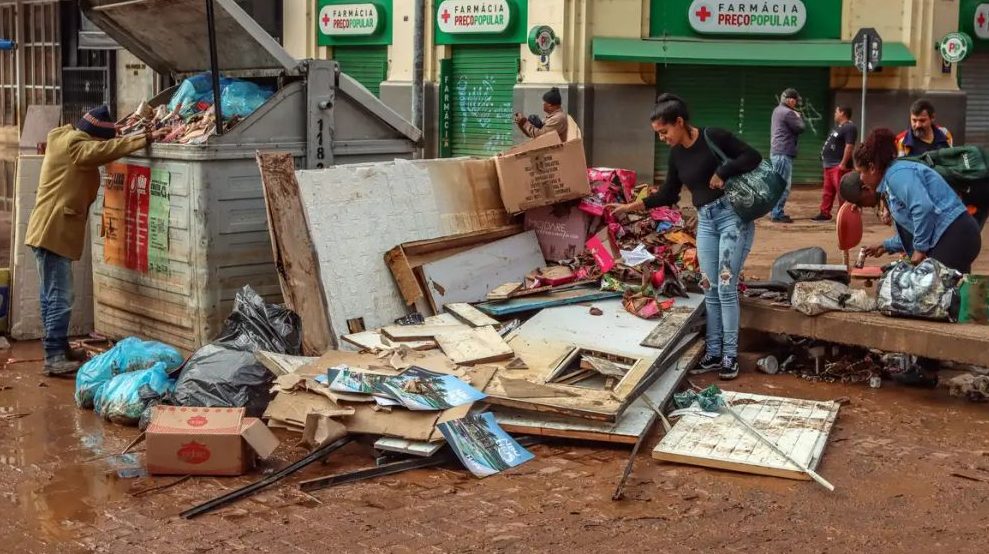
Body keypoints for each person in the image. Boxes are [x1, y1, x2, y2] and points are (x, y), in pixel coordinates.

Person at [606, 93, 762, 380]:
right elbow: (668, 194)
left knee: (726, 289)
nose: (663, 138)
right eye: (658, 134)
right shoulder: (676, 154)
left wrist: (724, 170)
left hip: (733, 218)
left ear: (680, 122)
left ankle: (730, 355)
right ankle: (713, 352)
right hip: (706, 221)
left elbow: (753, 156)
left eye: (665, 132)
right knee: (709, 287)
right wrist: (630, 207)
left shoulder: (714, 136)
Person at [25, 105, 165, 376]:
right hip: (53, 231)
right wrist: (142, 138)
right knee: (60, 297)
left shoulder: (64, 137)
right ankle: (54, 357)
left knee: (51, 295)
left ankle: (58, 347)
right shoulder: (77, 147)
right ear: (94, 137)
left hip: (47, 229)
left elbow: (98, 147)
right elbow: (99, 152)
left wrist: (120, 133)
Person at [842, 128, 981, 274]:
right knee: (951, 292)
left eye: (860, 172)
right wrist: (886, 246)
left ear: (871, 168)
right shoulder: (893, 179)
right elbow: (915, 228)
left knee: (934, 292)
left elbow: (922, 207)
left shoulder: (896, 174)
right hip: (955, 235)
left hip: (954, 234)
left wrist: (919, 249)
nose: (861, 179)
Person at [812, 106, 857, 221]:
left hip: (838, 165)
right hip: (829, 165)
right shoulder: (840, 127)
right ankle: (825, 213)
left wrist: (843, 163)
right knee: (827, 192)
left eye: (836, 112)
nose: (835, 114)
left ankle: (845, 216)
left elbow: (849, 146)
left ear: (842, 113)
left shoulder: (850, 127)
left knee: (842, 192)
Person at [769, 88, 805, 223]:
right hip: (783, 153)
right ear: (790, 99)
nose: (796, 103)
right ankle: (777, 213)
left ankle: (774, 211)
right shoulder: (788, 113)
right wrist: (798, 116)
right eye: (795, 100)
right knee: (783, 186)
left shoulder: (777, 110)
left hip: (777, 152)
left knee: (777, 184)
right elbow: (801, 127)